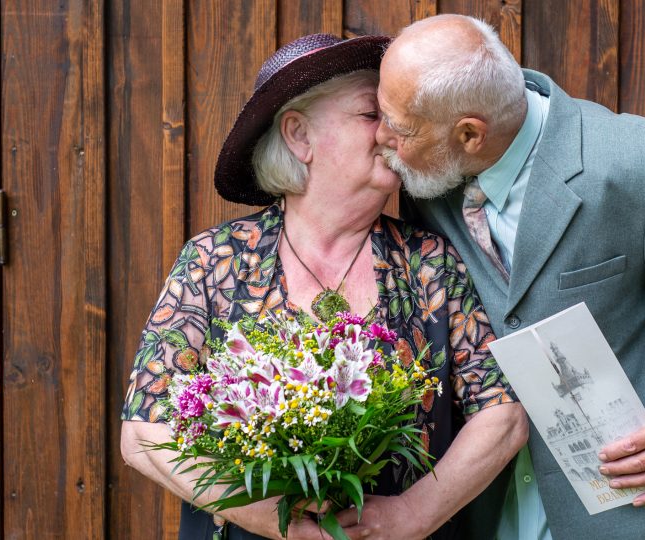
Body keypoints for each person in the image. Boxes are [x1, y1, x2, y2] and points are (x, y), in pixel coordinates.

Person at [119, 33, 527, 540]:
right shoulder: (214, 262)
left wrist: (411, 515)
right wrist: (279, 522)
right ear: (299, 135)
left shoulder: (430, 264)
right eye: (369, 114)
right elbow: (144, 432)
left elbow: (503, 413)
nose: (391, 133)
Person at [375, 14, 645, 540]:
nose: (382, 138)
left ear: (469, 134)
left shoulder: (640, 165)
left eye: (399, 128)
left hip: (632, 508)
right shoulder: (430, 184)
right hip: (485, 507)